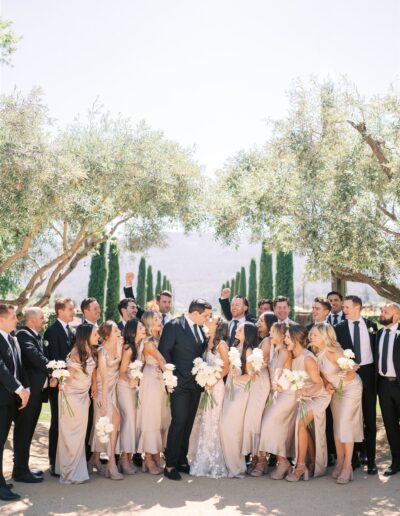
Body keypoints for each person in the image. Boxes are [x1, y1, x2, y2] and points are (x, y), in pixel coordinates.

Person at [159, 298, 212, 481]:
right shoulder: (173, 326)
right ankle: (170, 464)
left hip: (196, 384)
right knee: (179, 422)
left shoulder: (200, 329)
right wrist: (169, 378)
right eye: (205, 315)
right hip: (178, 383)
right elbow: (164, 352)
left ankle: (182, 460)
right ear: (195, 313)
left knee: (188, 422)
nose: (207, 318)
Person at [312, 323, 363, 484]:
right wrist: (327, 384)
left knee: (345, 424)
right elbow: (323, 374)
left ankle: (348, 466)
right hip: (336, 390)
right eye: (311, 334)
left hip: (350, 389)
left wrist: (345, 374)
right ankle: (340, 461)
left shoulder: (335, 352)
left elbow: (351, 371)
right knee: (337, 426)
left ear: (325, 337)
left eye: (314, 335)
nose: (311, 337)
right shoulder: (316, 351)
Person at [334, 295, 378, 474]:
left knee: (369, 416)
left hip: (368, 374)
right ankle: (353, 458)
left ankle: (371, 458)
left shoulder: (372, 326)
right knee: (350, 416)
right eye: (343, 307)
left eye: (347, 307)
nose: (344, 310)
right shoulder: (339, 328)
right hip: (349, 376)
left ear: (358, 308)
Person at [285, 325, 331, 481]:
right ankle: (310, 462)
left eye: (288, 338)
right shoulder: (290, 355)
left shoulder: (308, 358)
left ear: (297, 339)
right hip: (304, 396)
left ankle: (299, 467)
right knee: (305, 428)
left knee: (300, 423)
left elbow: (318, 384)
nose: (285, 340)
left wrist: (307, 393)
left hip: (318, 396)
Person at [55, 324, 97, 484]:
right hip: (72, 397)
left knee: (79, 435)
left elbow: (92, 370)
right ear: (86, 336)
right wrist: (60, 382)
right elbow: (67, 376)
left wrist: (93, 384)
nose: (97, 336)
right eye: (94, 334)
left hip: (84, 396)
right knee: (72, 434)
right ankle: (69, 472)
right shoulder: (75, 353)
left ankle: (76, 469)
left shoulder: (91, 351)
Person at [189, 317, 229, 478]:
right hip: (205, 386)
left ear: (218, 325)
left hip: (216, 386)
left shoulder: (222, 344)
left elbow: (226, 366)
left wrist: (213, 380)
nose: (208, 319)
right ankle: (201, 458)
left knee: (213, 420)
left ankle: (214, 460)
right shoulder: (206, 342)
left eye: (212, 319)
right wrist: (204, 378)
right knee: (203, 419)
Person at [13, 308, 50, 483]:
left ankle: (23, 467)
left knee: (28, 432)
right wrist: (55, 368)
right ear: (31, 320)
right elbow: (35, 357)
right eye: (42, 317)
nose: (45, 320)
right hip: (29, 393)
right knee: (23, 431)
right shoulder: (23, 335)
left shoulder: (35, 335)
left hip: (37, 393)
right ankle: (20, 471)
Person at [0, 304, 30, 501]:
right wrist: (19, 389)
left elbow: (19, 367)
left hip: (10, 401)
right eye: (13, 317)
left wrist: (25, 388)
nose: (16, 320)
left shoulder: (12, 338)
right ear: (1, 319)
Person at [220, 322, 257, 478]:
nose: (237, 330)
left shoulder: (248, 351)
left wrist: (237, 376)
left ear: (247, 333)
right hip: (230, 389)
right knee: (225, 426)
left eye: (240, 329)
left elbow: (252, 375)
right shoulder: (235, 347)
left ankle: (236, 467)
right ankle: (230, 464)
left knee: (230, 427)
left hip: (240, 392)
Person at [259, 322, 296, 480]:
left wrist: (276, 382)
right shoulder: (276, 351)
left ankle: (284, 462)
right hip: (277, 394)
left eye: (273, 332)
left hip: (286, 393)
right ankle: (282, 462)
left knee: (269, 425)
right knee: (276, 428)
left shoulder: (285, 352)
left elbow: (282, 370)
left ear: (282, 335)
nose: (270, 335)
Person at [44, 297, 76, 476]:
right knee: (56, 422)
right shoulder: (52, 331)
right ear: (60, 311)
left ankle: (66, 459)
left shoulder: (71, 331)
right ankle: (53, 462)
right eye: (70, 309)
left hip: (71, 385)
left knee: (67, 423)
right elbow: (53, 359)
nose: (73, 311)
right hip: (58, 385)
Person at [137, 310, 170, 474]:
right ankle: (148, 457)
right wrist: (172, 380)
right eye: (155, 318)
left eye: (160, 317)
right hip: (151, 380)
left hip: (162, 381)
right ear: (149, 323)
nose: (160, 320)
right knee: (151, 418)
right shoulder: (148, 342)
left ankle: (157, 453)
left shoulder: (162, 338)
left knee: (161, 418)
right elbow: (162, 360)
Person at [243, 313, 276, 476]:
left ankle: (262, 460)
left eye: (262, 321)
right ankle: (255, 457)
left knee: (257, 420)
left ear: (270, 325)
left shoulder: (268, 341)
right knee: (253, 420)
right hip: (255, 381)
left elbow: (261, 363)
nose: (259, 323)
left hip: (261, 380)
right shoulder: (261, 340)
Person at [90, 321, 123, 480]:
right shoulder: (102, 352)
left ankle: (95, 459)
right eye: (116, 330)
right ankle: (111, 464)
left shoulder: (120, 343)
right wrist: (103, 403)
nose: (119, 332)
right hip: (103, 391)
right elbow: (101, 377)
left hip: (114, 388)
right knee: (113, 421)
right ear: (108, 336)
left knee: (104, 424)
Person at [306, 297, 336, 466]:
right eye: (313, 308)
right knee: (318, 418)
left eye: (317, 308)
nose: (314, 311)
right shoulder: (308, 329)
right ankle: (320, 454)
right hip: (317, 382)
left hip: (335, 381)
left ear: (326, 311)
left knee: (333, 419)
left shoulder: (334, 329)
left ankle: (332, 453)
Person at [117, 319, 147, 474]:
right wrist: (130, 381)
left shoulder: (140, 345)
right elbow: (121, 371)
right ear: (133, 331)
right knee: (128, 421)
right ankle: (123, 458)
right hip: (124, 387)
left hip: (134, 388)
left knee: (133, 421)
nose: (144, 329)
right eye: (141, 327)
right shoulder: (128, 348)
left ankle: (128, 457)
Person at [375, 303, 400, 476]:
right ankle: (396, 462)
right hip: (383, 386)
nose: (382, 314)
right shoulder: (378, 333)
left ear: (396, 315)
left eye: (386, 312)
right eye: (382, 311)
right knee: (390, 426)